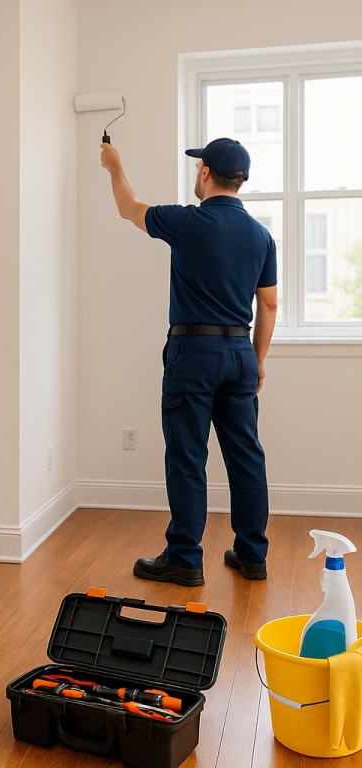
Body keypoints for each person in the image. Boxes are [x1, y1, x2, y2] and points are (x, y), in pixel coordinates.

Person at [99, 137, 278, 587]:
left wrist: (114, 167)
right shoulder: (262, 236)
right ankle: (252, 555)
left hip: (193, 353)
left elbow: (127, 206)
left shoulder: (187, 221)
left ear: (204, 173)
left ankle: (184, 558)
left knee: (187, 457)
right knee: (246, 457)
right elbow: (270, 305)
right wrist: (256, 362)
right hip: (240, 352)